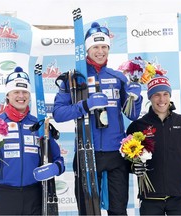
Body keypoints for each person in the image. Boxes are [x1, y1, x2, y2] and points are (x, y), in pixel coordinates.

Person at [53, 22, 143, 215]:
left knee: (118, 210)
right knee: (88, 211)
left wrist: (136, 98)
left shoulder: (119, 78)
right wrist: (85, 105)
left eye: (104, 47)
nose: (100, 51)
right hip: (87, 151)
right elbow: (58, 114)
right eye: (95, 46)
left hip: (116, 154)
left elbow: (132, 115)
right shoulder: (74, 78)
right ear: (87, 49)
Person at [0, 66, 65, 215]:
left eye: (25, 92)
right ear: (8, 95)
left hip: (35, 196)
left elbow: (59, 160)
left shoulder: (40, 124)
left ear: (29, 96)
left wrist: (56, 167)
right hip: (6, 196)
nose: (21, 96)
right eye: (16, 91)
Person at [126, 74, 181, 215]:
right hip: (150, 198)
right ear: (150, 97)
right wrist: (134, 167)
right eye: (157, 95)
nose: (162, 99)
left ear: (170, 96)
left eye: (165, 94)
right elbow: (126, 159)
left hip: (177, 197)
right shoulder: (138, 126)